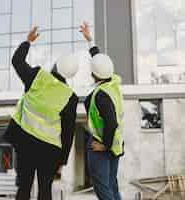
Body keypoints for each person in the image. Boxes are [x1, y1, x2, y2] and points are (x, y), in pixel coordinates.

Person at [4, 26, 79, 200]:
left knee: (24, 187)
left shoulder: (37, 76)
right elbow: (68, 132)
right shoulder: (70, 97)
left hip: (25, 144)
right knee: (45, 189)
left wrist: (28, 41)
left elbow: (17, 61)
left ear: (55, 66)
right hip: (49, 151)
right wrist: (62, 161)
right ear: (69, 76)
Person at [79, 22, 124, 200]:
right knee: (112, 186)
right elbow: (99, 61)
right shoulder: (113, 82)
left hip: (102, 144)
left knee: (104, 190)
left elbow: (111, 122)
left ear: (93, 74)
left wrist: (103, 144)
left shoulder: (101, 95)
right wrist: (90, 40)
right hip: (116, 144)